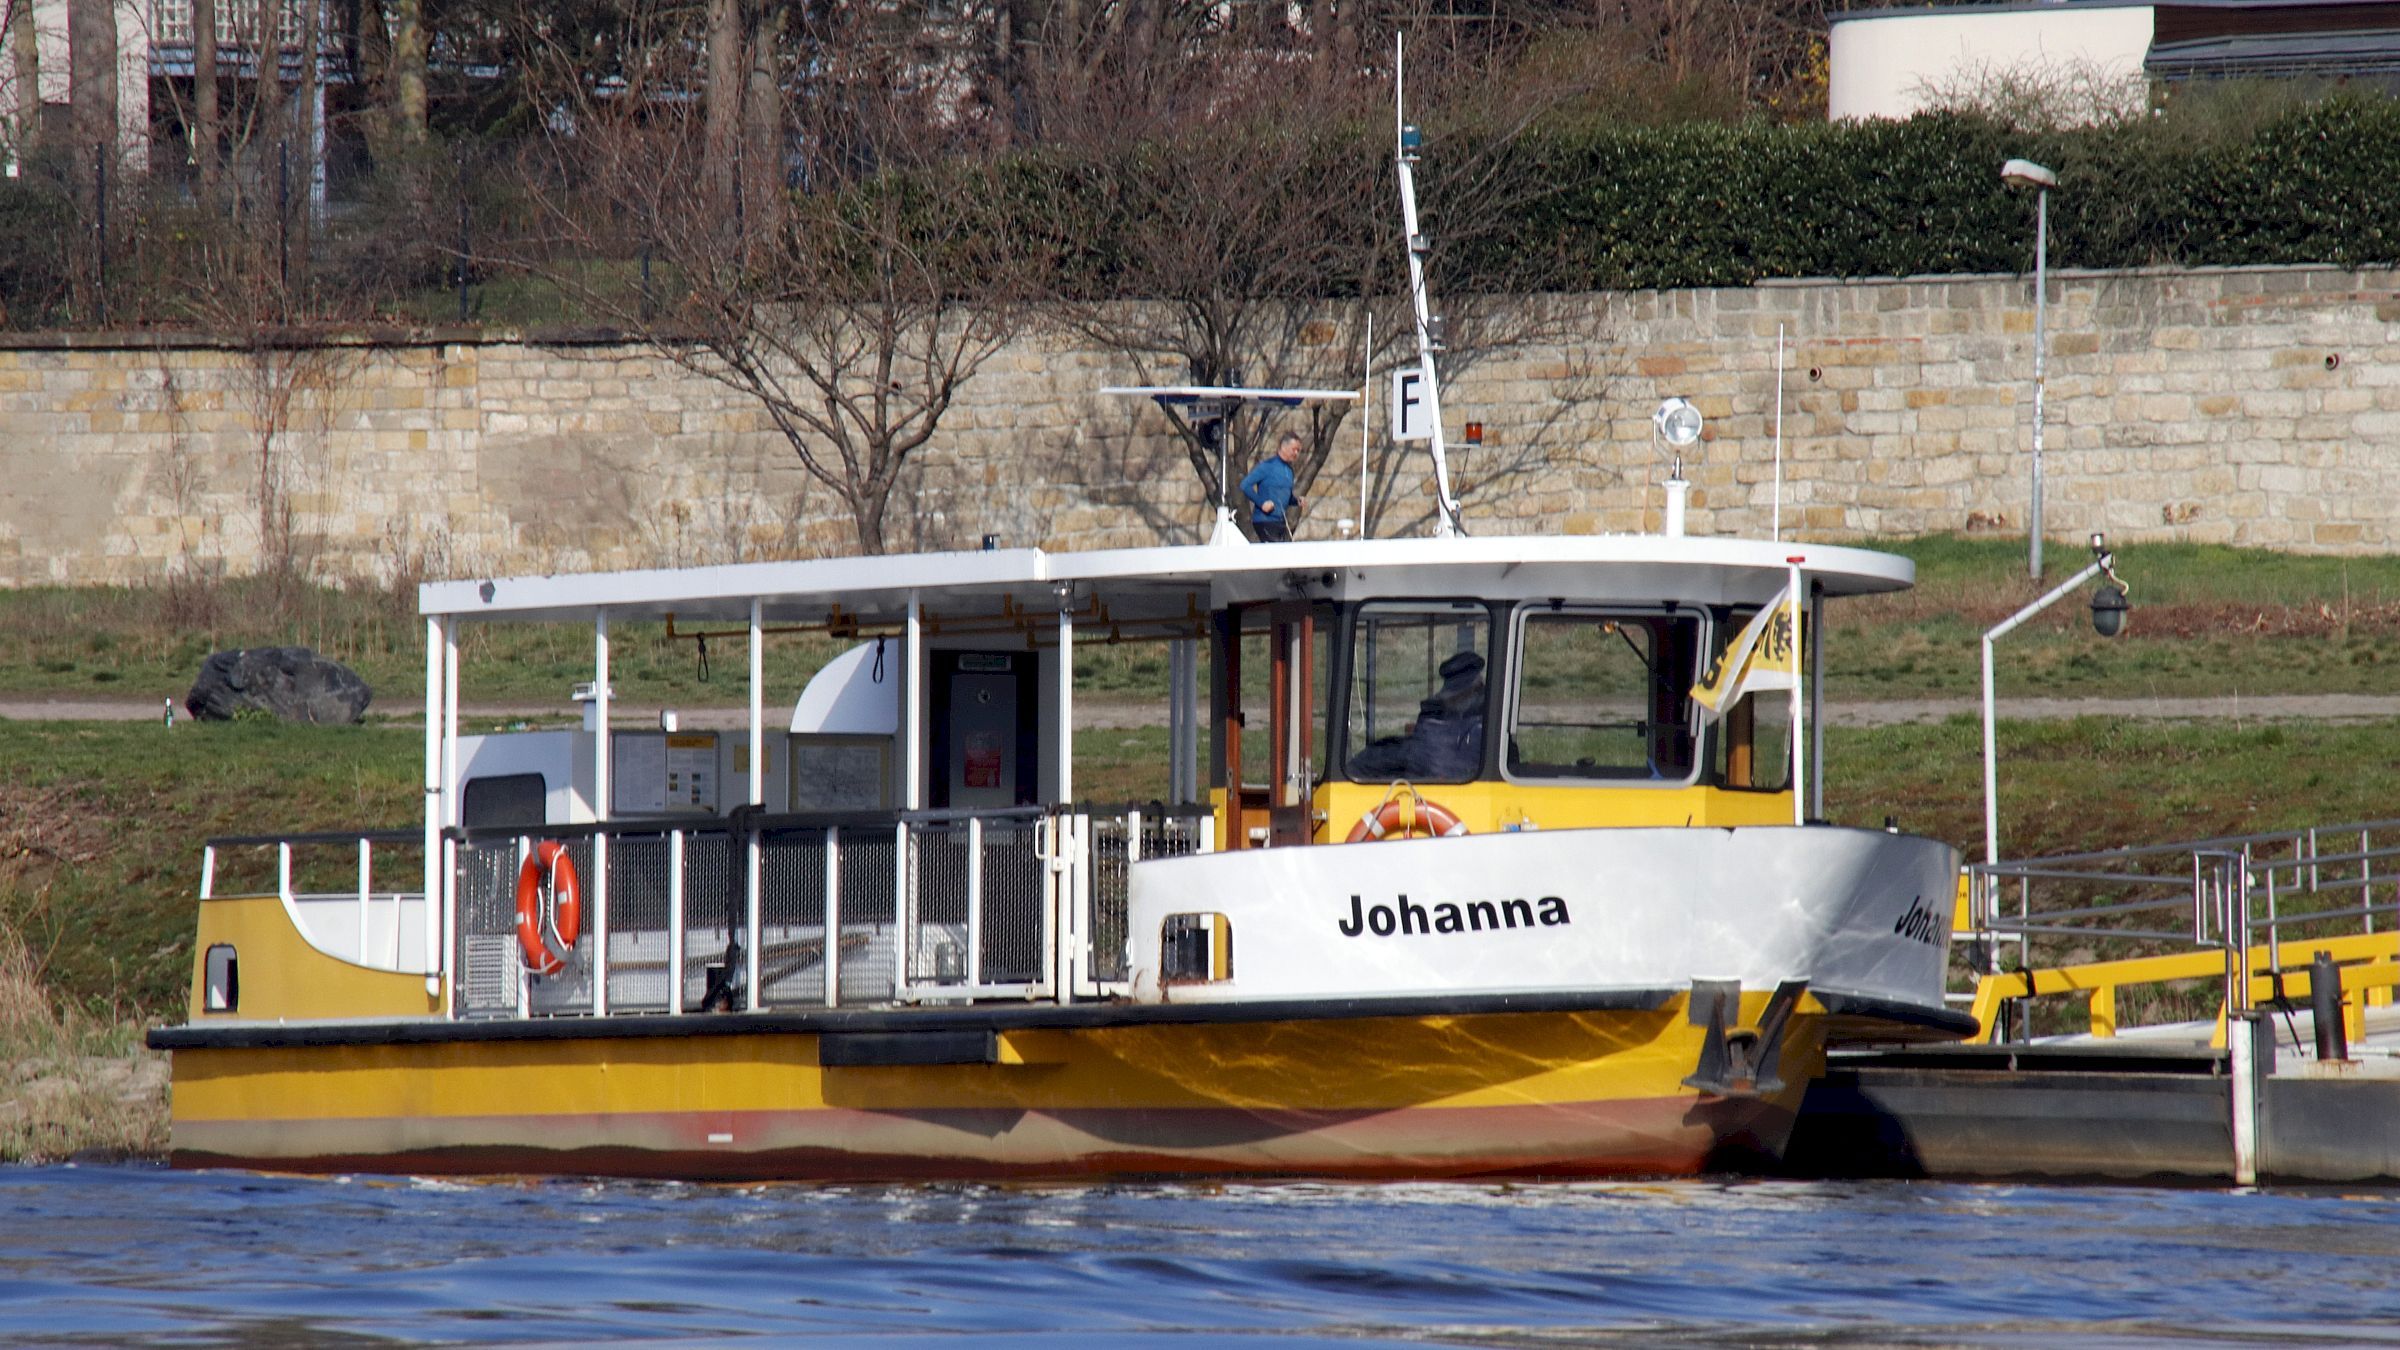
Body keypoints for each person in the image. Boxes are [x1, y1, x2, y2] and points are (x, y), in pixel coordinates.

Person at [1346, 650, 1487, 782]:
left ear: (1474, 689)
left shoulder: (1481, 727)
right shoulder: (1436, 712)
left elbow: (1439, 761)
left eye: (1455, 696)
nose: (1448, 700)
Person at [1239, 433, 1305, 542]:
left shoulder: (1289, 471)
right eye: (1294, 449)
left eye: (1299, 451)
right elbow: (1245, 485)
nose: (1296, 453)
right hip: (1265, 520)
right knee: (1275, 554)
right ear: (1283, 447)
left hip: (1280, 522)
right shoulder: (1267, 466)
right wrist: (1262, 503)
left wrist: (1296, 501)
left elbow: (1285, 496)